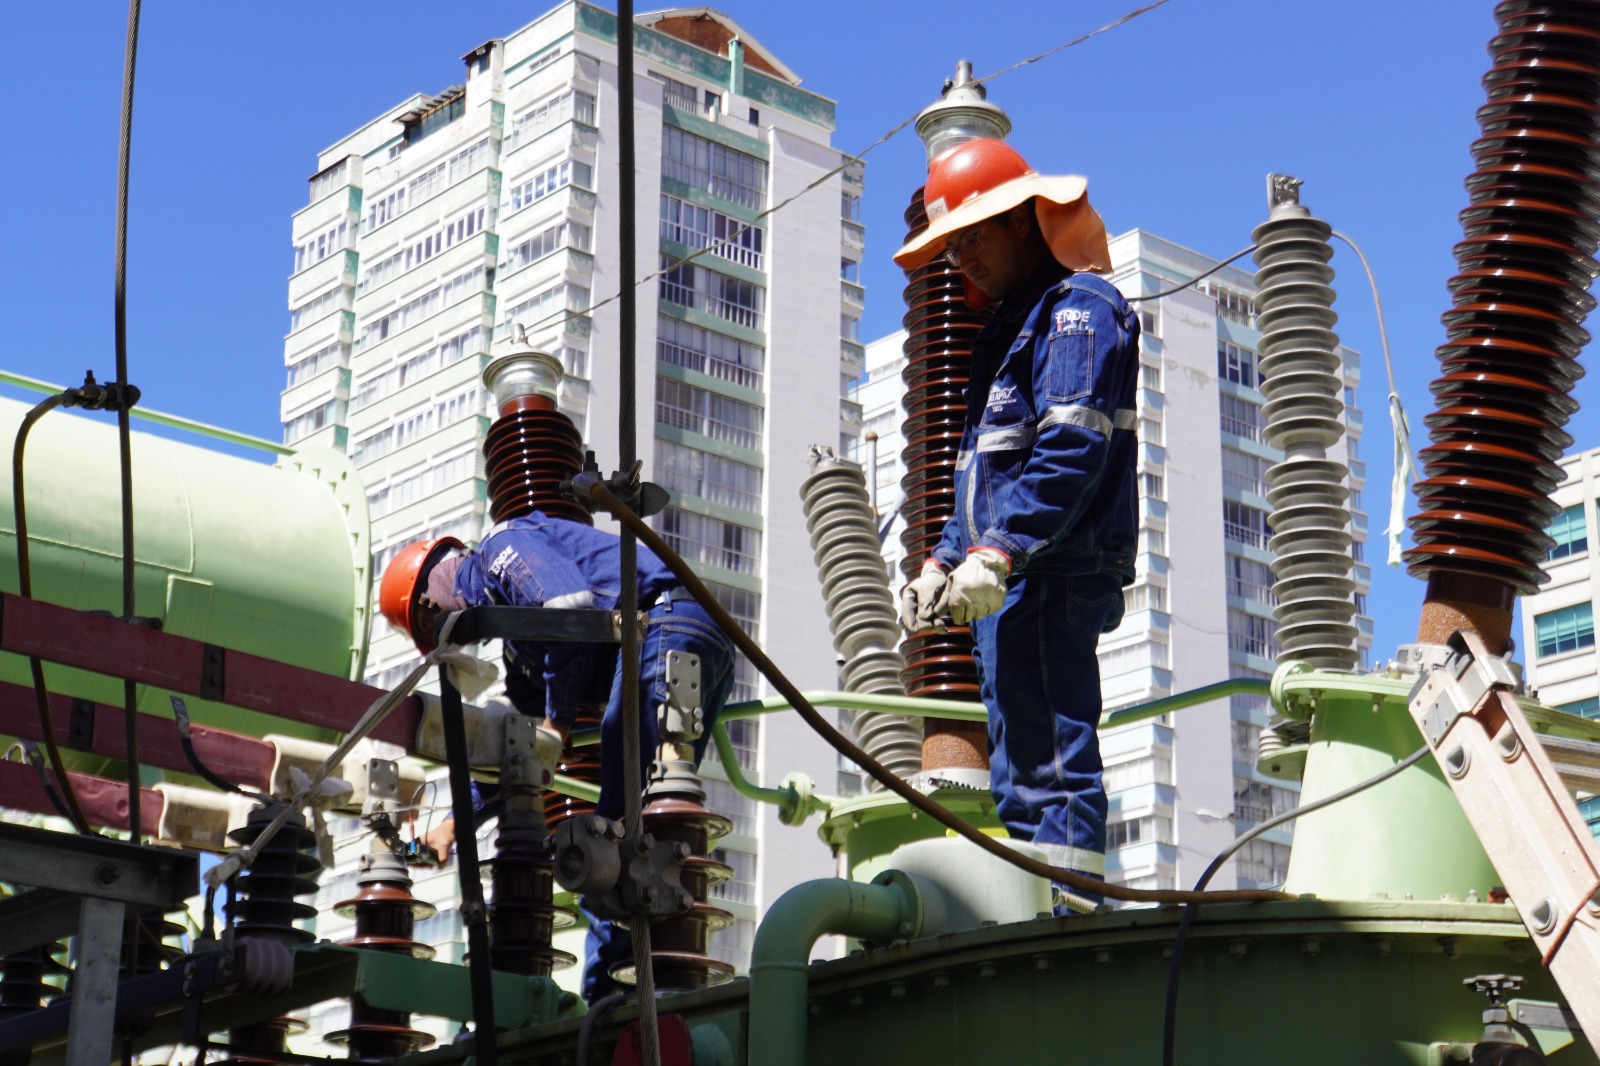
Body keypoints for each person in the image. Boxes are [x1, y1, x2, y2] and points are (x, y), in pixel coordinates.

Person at [893, 138, 1140, 905]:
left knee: (1050, 766)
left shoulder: (1079, 312)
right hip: (1014, 578)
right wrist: (941, 559)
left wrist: (998, 552)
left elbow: (1072, 445)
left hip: (1050, 574)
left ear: (1025, 222)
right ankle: (1048, 904)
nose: (962, 257)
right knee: (1020, 766)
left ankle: (1069, 916)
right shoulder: (1007, 332)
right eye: (950, 244)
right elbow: (984, 472)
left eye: (974, 235)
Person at [378, 510, 737, 1001]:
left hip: (664, 622)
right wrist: (455, 825)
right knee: (657, 818)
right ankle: (646, 981)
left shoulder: (499, 548)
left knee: (610, 840)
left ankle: (609, 997)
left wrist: (559, 721)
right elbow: (521, 744)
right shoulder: (520, 646)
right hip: (700, 631)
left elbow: (569, 604)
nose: (453, 642)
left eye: (434, 627)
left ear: (430, 600)